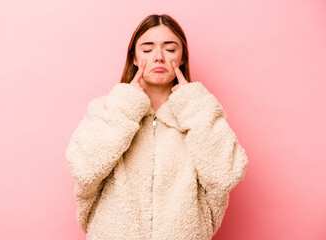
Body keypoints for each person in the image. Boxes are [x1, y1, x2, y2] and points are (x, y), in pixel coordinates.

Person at [65, 14, 249, 240]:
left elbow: (225, 175)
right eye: (147, 49)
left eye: (170, 49)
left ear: (182, 58)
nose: (159, 57)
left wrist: (193, 105)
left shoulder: (199, 112)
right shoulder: (108, 110)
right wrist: (126, 105)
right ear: (134, 57)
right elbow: (85, 168)